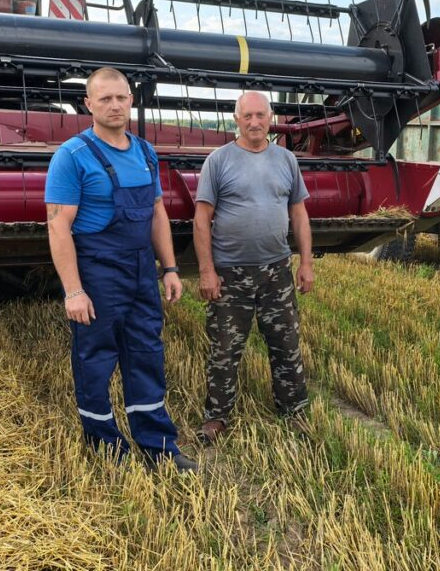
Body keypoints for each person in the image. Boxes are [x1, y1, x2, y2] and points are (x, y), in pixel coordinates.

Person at [45, 67, 196, 472]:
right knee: (96, 358)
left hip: (141, 270)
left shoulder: (145, 152)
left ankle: (158, 445)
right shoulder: (72, 156)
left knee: (147, 353)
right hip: (98, 270)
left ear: (132, 101)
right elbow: (58, 225)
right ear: (88, 104)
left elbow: (157, 213)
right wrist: (73, 291)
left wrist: (169, 267)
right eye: (105, 98)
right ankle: (106, 446)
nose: (115, 105)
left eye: (122, 97)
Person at [194, 91, 314, 445]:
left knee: (286, 343)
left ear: (270, 117)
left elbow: (299, 214)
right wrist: (206, 271)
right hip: (230, 274)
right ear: (236, 119)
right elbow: (202, 221)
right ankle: (217, 416)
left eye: (261, 115)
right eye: (247, 116)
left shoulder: (286, 160)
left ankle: (293, 410)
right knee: (225, 348)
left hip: (276, 271)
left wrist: (305, 262)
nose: (255, 122)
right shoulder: (218, 161)